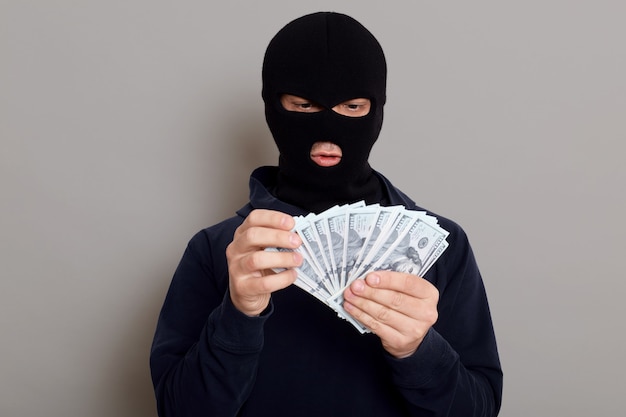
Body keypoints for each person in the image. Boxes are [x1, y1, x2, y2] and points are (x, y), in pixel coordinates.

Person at [150, 11, 503, 417]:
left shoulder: (443, 245)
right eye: (304, 105)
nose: (328, 130)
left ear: (377, 109)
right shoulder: (217, 250)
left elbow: (479, 410)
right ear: (272, 107)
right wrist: (239, 314)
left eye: (352, 106)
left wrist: (417, 350)